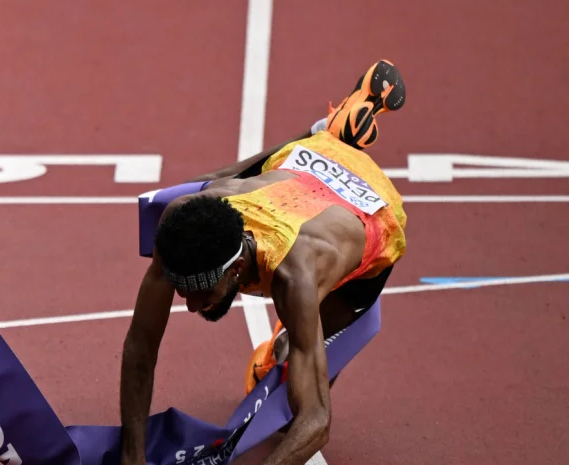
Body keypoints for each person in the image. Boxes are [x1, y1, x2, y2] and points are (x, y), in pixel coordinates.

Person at [118, 60, 408, 465]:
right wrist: (132, 458)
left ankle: (338, 133)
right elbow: (140, 344)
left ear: (234, 270)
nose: (190, 305)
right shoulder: (187, 215)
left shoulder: (297, 279)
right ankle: (331, 133)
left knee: (292, 403)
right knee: (226, 178)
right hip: (306, 160)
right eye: (183, 290)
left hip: (372, 212)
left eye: (201, 294)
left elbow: (316, 421)